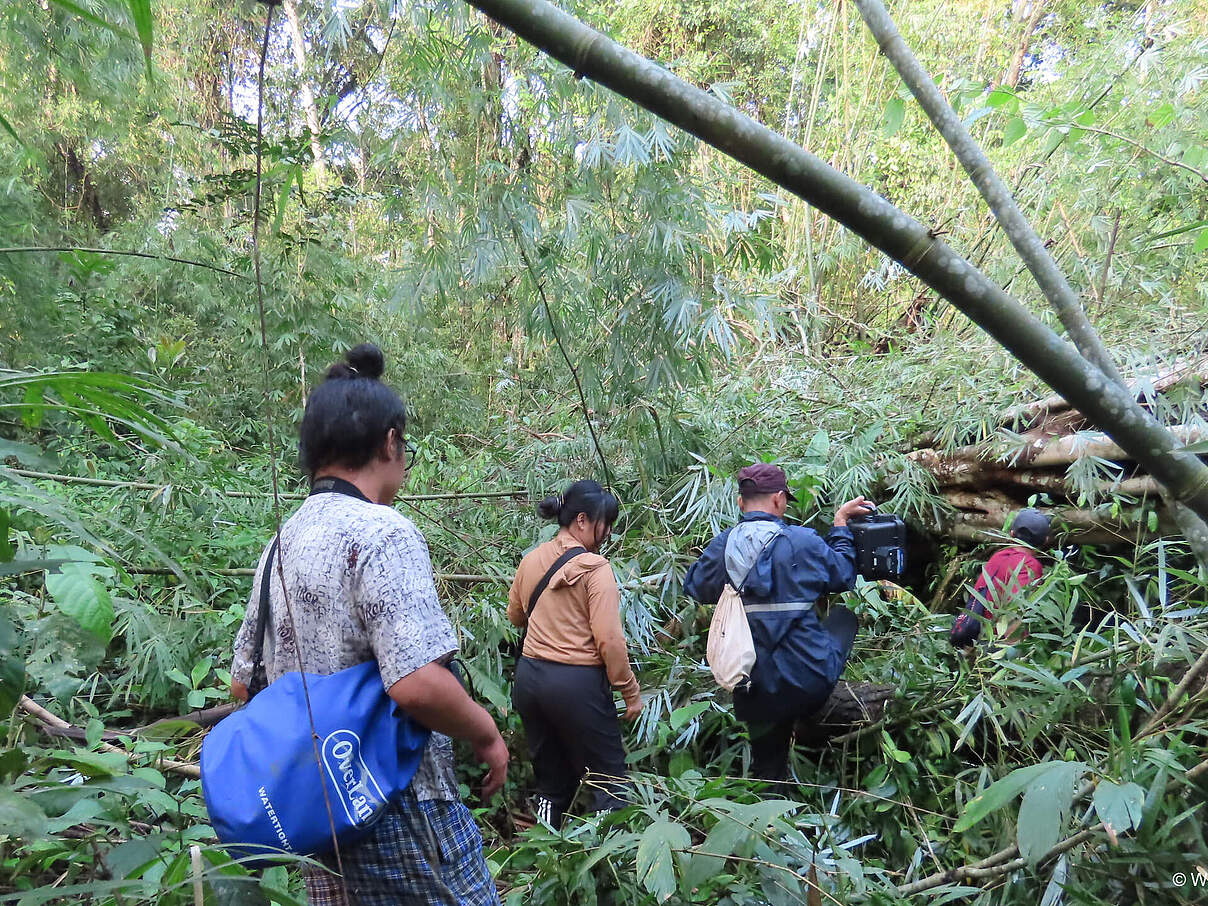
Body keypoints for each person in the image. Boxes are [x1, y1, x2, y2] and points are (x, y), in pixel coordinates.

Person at [228, 343, 508, 906]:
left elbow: (242, 684)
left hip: (317, 811)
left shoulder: (281, 542)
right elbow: (416, 683)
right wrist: (486, 734)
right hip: (396, 800)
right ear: (389, 442)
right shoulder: (385, 533)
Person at [683, 463, 873, 781]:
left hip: (752, 688)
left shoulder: (724, 545)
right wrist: (840, 524)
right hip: (808, 681)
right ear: (778, 500)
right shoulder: (802, 541)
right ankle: (809, 716)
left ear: (741, 503)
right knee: (843, 618)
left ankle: (771, 820)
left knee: (767, 770)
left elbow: (696, 587)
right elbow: (843, 575)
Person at [507, 480, 642, 829]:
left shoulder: (533, 558)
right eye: (605, 523)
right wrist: (629, 691)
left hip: (530, 679)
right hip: (576, 685)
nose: (608, 532)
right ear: (582, 520)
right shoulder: (596, 569)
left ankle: (544, 851)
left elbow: (515, 616)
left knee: (551, 783)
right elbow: (609, 639)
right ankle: (604, 858)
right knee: (608, 780)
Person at [950, 507, 1050, 647]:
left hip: (976, 638)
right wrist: (1011, 654)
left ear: (1012, 533)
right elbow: (1016, 612)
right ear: (1045, 540)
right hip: (995, 645)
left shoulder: (999, 556)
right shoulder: (1030, 565)